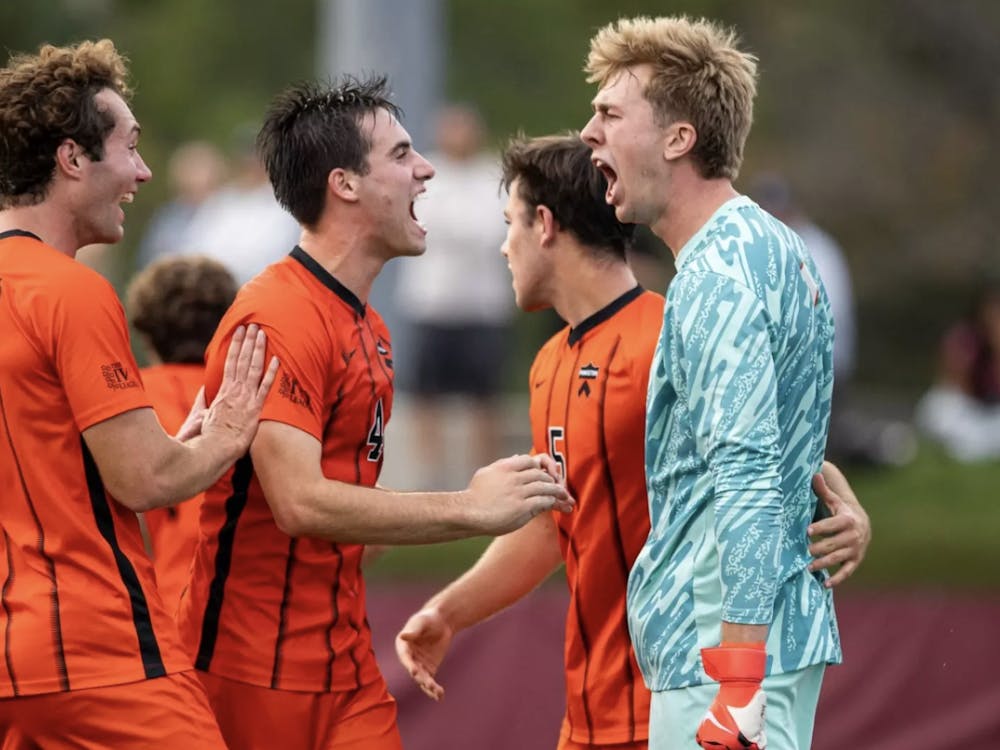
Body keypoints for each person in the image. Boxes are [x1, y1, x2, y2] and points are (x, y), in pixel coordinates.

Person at [395, 135, 870, 750]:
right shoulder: (547, 365)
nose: (502, 244)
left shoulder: (662, 338)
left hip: (678, 700)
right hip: (588, 715)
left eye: (509, 222)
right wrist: (449, 612)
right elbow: (552, 526)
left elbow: (756, 457)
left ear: (544, 225)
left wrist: (844, 507)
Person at [176, 75, 573, 750]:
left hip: (347, 668)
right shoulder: (277, 316)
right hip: (250, 675)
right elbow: (301, 503)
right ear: (345, 184)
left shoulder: (372, 328)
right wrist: (468, 506)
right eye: (400, 154)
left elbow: (349, 511)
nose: (425, 169)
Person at [0, 39, 276, 747]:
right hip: (97, 652)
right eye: (129, 146)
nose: (143, 171)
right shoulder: (72, 291)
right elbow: (147, 479)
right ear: (71, 159)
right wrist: (228, 430)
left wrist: (171, 444)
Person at [580, 17, 841, 750]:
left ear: (677, 138)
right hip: (751, 645)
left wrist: (737, 682)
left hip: (723, 656)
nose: (588, 132)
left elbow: (751, 473)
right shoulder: (770, 245)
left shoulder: (719, 274)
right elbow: (775, 439)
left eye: (609, 113)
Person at [394, 103, 512, 489]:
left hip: (481, 305)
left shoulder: (493, 175)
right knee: (426, 395)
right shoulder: (425, 174)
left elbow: (494, 230)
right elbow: (417, 224)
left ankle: (484, 476)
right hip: (432, 302)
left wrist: (453, 231)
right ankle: (431, 479)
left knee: (484, 397)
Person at [126, 256, 239, 612]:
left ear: (146, 333)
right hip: (258, 615)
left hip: (159, 610)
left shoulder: (125, 400)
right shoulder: (257, 394)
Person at [915, 283, 1000, 461]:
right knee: (938, 409)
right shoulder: (965, 340)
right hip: (967, 408)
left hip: (992, 414)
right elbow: (955, 386)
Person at [134, 140, 228, 269]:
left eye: (198, 169)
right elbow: (150, 258)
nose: (192, 177)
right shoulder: (167, 218)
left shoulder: (231, 212)